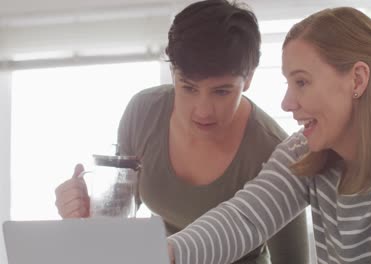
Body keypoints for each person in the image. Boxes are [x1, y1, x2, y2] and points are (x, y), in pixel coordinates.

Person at [167, 6, 371, 264]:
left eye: (302, 82)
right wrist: (162, 254)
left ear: (358, 79)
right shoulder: (308, 148)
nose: (287, 103)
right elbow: (245, 220)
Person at [54, 0, 310, 263]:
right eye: (188, 88)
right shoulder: (143, 113)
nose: (203, 111)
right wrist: (85, 212)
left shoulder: (273, 149)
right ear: (173, 71)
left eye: (221, 91)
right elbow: (114, 227)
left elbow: (294, 259)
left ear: (249, 78)